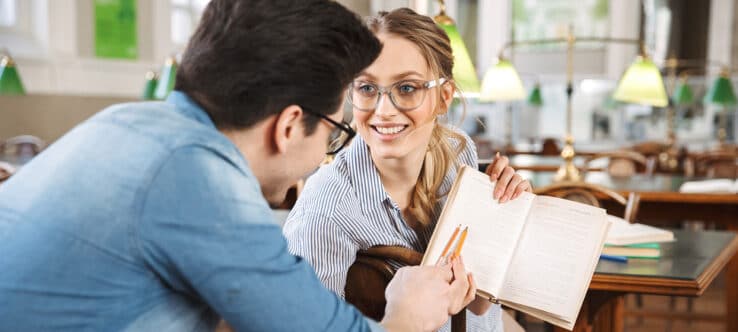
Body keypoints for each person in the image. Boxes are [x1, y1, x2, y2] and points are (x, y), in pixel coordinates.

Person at [0, 1, 477, 331]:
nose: (329, 152)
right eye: (337, 126)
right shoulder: (199, 180)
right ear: (289, 126)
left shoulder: (126, 120)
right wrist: (404, 318)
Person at [283, 8, 533, 332]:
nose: (384, 111)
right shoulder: (326, 214)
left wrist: (503, 221)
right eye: (367, 88)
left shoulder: (459, 152)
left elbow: (479, 303)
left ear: (444, 98)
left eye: (407, 88)